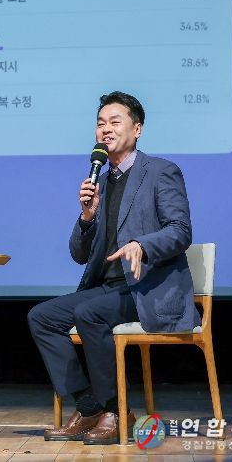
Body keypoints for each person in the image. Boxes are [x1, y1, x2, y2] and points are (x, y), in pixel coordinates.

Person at [27, 91, 199, 445]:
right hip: (108, 288)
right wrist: (86, 218)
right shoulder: (101, 181)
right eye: (100, 123)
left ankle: (117, 411)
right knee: (41, 317)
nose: (105, 129)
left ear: (137, 129)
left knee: (90, 313)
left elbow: (180, 231)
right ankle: (89, 406)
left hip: (148, 288)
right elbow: (79, 255)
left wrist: (143, 245)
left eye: (115, 122)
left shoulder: (160, 171)